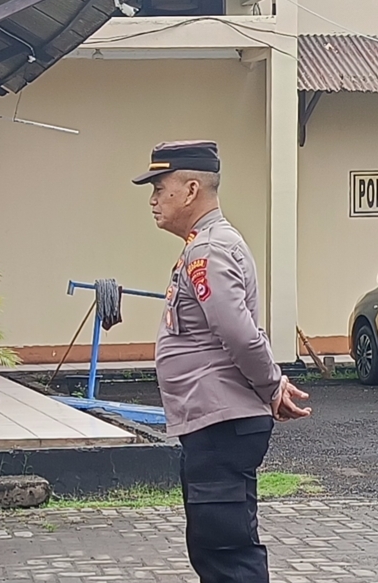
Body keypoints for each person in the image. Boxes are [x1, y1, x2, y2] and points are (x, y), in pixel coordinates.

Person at [133, 141, 310, 583]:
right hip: (213, 422)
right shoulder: (203, 245)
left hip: (221, 424)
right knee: (214, 549)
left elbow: (238, 333)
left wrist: (272, 385)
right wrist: (272, 383)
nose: (153, 199)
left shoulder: (209, 249)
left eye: (160, 188)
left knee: (226, 553)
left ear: (191, 189)